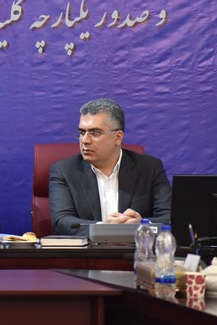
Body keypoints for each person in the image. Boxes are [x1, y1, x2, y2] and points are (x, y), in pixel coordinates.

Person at [49, 98, 171, 236]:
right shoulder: (64, 171)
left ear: (118, 138)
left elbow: (169, 217)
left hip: (135, 247)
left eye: (95, 133)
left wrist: (143, 225)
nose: (85, 140)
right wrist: (103, 228)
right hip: (90, 249)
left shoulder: (149, 168)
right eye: (82, 132)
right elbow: (62, 221)